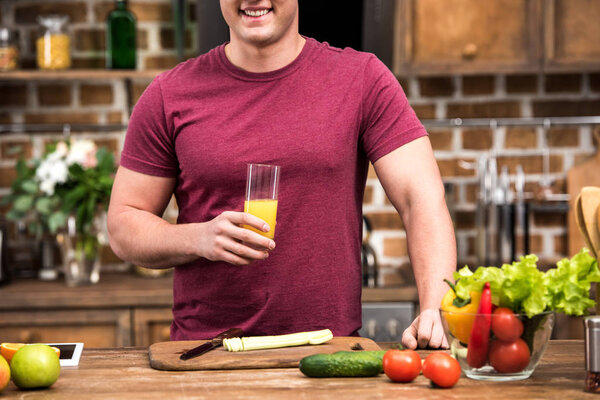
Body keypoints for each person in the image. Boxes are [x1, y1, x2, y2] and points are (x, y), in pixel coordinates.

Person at [107, 0, 456, 349]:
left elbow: (420, 198)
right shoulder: (169, 94)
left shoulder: (362, 78)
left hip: (326, 353)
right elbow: (124, 226)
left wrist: (435, 308)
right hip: (207, 354)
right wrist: (198, 239)